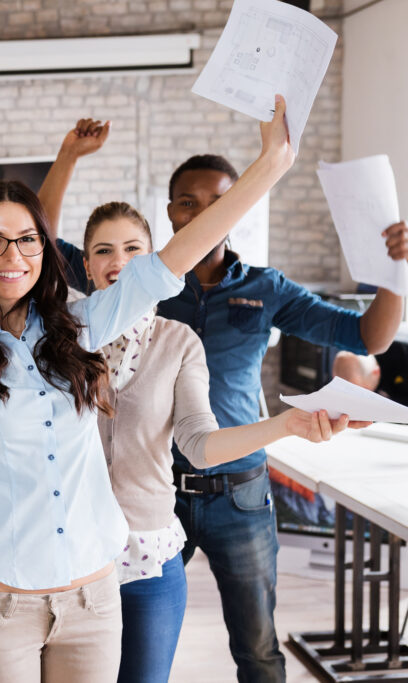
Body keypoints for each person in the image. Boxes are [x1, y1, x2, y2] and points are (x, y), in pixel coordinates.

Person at [0, 96, 294, 680]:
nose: (14, 255)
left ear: (45, 251)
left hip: (92, 598)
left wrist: (272, 164)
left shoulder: (80, 326)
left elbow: (169, 262)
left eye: (28, 239)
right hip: (0, 602)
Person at [79, 201, 365, 683]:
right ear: (85, 264)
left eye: (133, 249)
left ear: (156, 262)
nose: (118, 261)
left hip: (149, 557)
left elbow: (199, 441)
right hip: (74, 557)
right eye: (103, 250)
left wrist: (286, 424)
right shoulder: (62, 335)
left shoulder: (178, 341)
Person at [150, 155, 407, 682]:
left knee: (258, 649)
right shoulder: (144, 282)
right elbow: (61, 257)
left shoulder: (267, 288)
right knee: (145, 644)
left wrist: (396, 272)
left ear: (238, 209)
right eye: (188, 202)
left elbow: (367, 338)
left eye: (219, 201)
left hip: (239, 494)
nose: (202, 213)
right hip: (155, 492)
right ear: (171, 212)